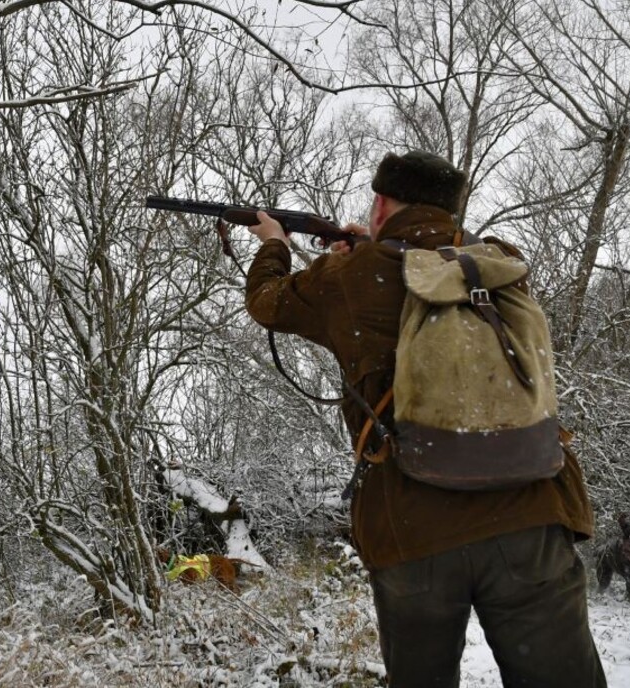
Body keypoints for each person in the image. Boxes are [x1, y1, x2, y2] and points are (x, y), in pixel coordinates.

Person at [244, 150, 606, 687]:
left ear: (382, 204)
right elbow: (429, 269)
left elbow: (267, 302)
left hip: (412, 526)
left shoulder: (349, 275)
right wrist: (371, 249)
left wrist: (274, 243)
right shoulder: (498, 259)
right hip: (531, 509)